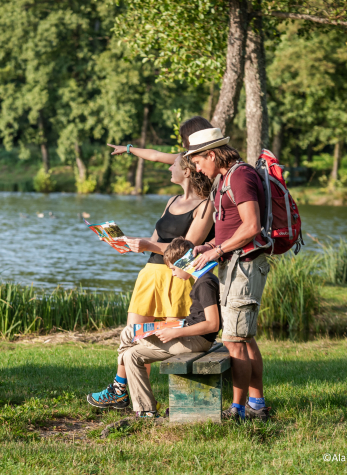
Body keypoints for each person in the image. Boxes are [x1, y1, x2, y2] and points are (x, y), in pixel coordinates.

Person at [87, 116, 215, 410]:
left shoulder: (204, 205)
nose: (168, 166)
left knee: (155, 339)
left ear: (186, 170)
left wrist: (147, 244)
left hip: (177, 276)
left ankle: (142, 395)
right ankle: (122, 390)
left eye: (173, 165)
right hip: (151, 274)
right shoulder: (170, 201)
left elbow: (187, 250)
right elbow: (156, 238)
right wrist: (126, 243)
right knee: (132, 336)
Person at [186, 127, 271, 422]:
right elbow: (230, 227)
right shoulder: (223, 179)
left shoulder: (240, 176)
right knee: (244, 339)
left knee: (235, 340)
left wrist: (217, 251)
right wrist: (206, 247)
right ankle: (256, 405)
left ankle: (237, 409)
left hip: (244, 266)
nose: (198, 169)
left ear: (211, 154)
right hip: (235, 263)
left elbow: (251, 227)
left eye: (198, 162)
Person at [112, 237, 221, 418]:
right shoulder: (202, 279)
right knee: (132, 355)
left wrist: (175, 332)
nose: (172, 274)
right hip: (188, 333)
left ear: (184, 263)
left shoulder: (205, 283)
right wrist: (173, 326)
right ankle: (146, 411)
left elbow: (212, 324)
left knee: (128, 333)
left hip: (197, 340)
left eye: (173, 269)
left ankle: (119, 384)